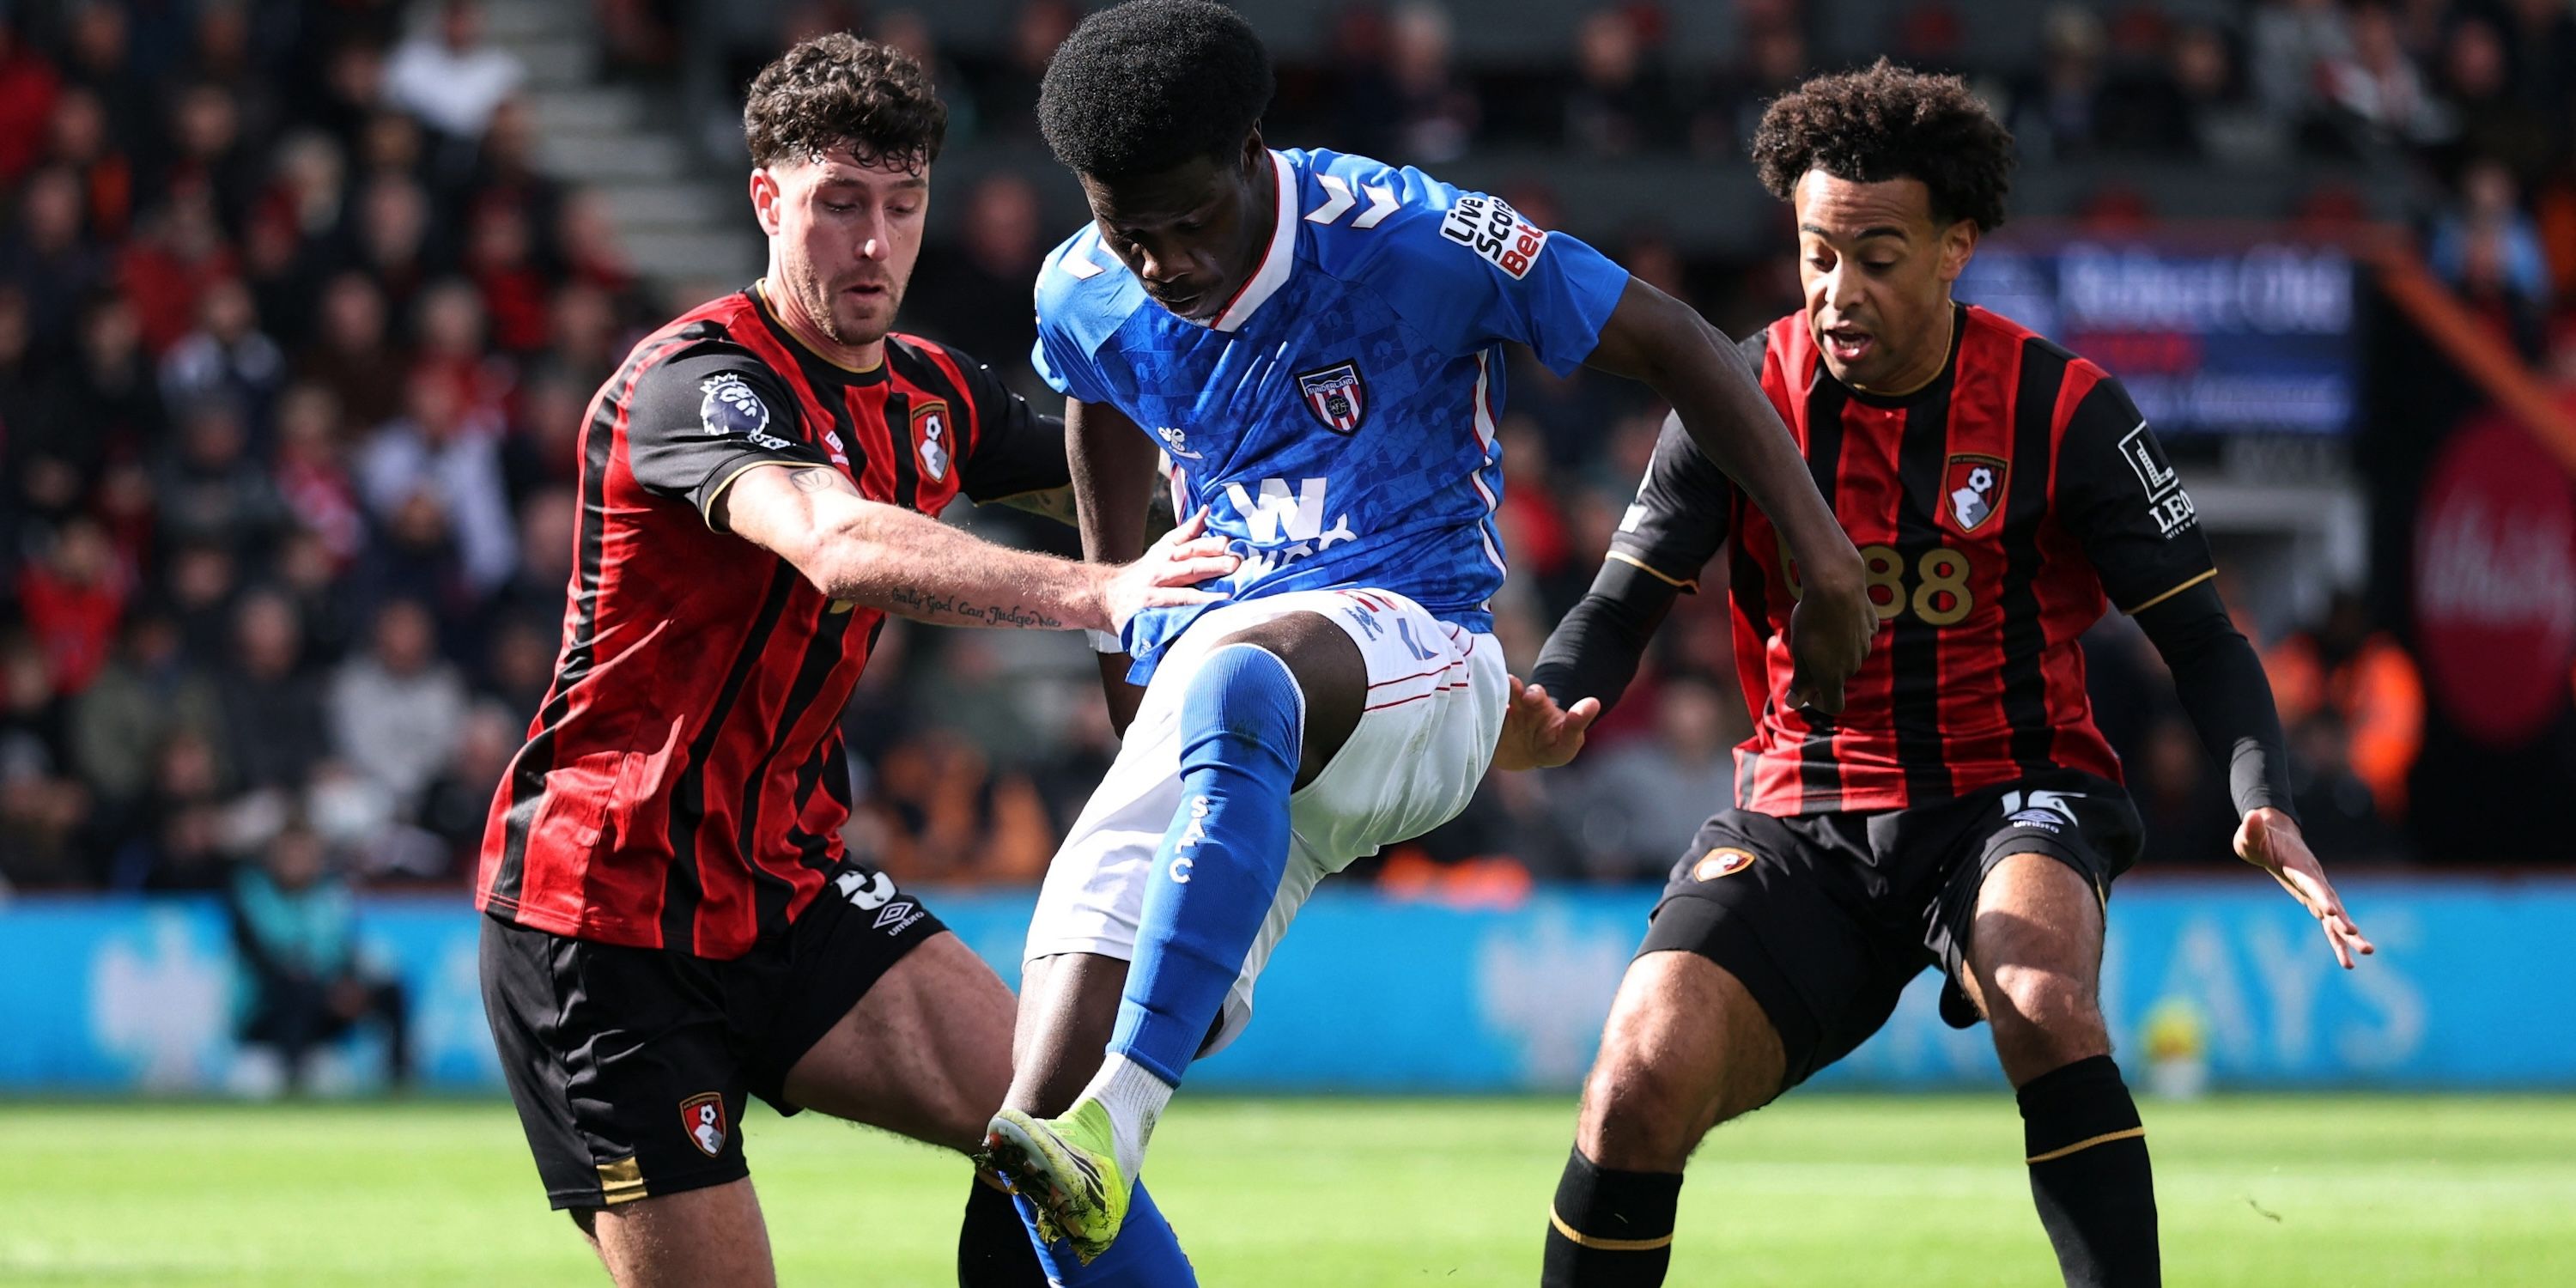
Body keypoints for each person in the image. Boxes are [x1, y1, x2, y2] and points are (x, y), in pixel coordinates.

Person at [975, 0, 1875, 1273]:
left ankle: (1124, 1115)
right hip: (1233, 702)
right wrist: (1120, 620)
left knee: (1239, 679)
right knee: (1031, 1138)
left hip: (1425, 652)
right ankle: (1090, 1136)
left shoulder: (1412, 235)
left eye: (1190, 223)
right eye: (1134, 234)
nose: (1166, 261)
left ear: (1250, 153)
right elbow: (1096, 393)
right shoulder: (1081, 284)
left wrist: (1823, 557)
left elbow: (1675, 340)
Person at [1495, 63, 2375, 1288]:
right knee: (1636, 1079)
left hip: (2012, 793)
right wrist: (1543, 703)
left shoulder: (2064, 410)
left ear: (1959, 245)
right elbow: (1614, 611)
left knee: (2040, 994)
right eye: (1815, 256)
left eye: (1879, 257)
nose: (1838, 293)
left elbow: (2207, 643)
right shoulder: (1740, 394)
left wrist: (2258, 796)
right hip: (1802, 810)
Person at [471, 35, 1231, 1288]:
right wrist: (1105, 590)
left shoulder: (933, 393)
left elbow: (1126, 481)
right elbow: (834, 542)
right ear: (768, 201)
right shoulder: (692, 388)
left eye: (901, 204)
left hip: (787, 889)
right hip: (606, 924)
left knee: (1056, 1133)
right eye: (837, 205)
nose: (873, 243)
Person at [228, 821, 411, 1091]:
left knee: (391, 991)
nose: (299, 863)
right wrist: (324, 987)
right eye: (291, 855)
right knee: (295, 990)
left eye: (306, 855)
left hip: (325, 996)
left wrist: (348, 984)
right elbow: (264, 961)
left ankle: (398, 1081)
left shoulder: (331, 895)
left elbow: (345, 950)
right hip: (267, 1008)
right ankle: (292, 1075)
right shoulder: (253, 895)